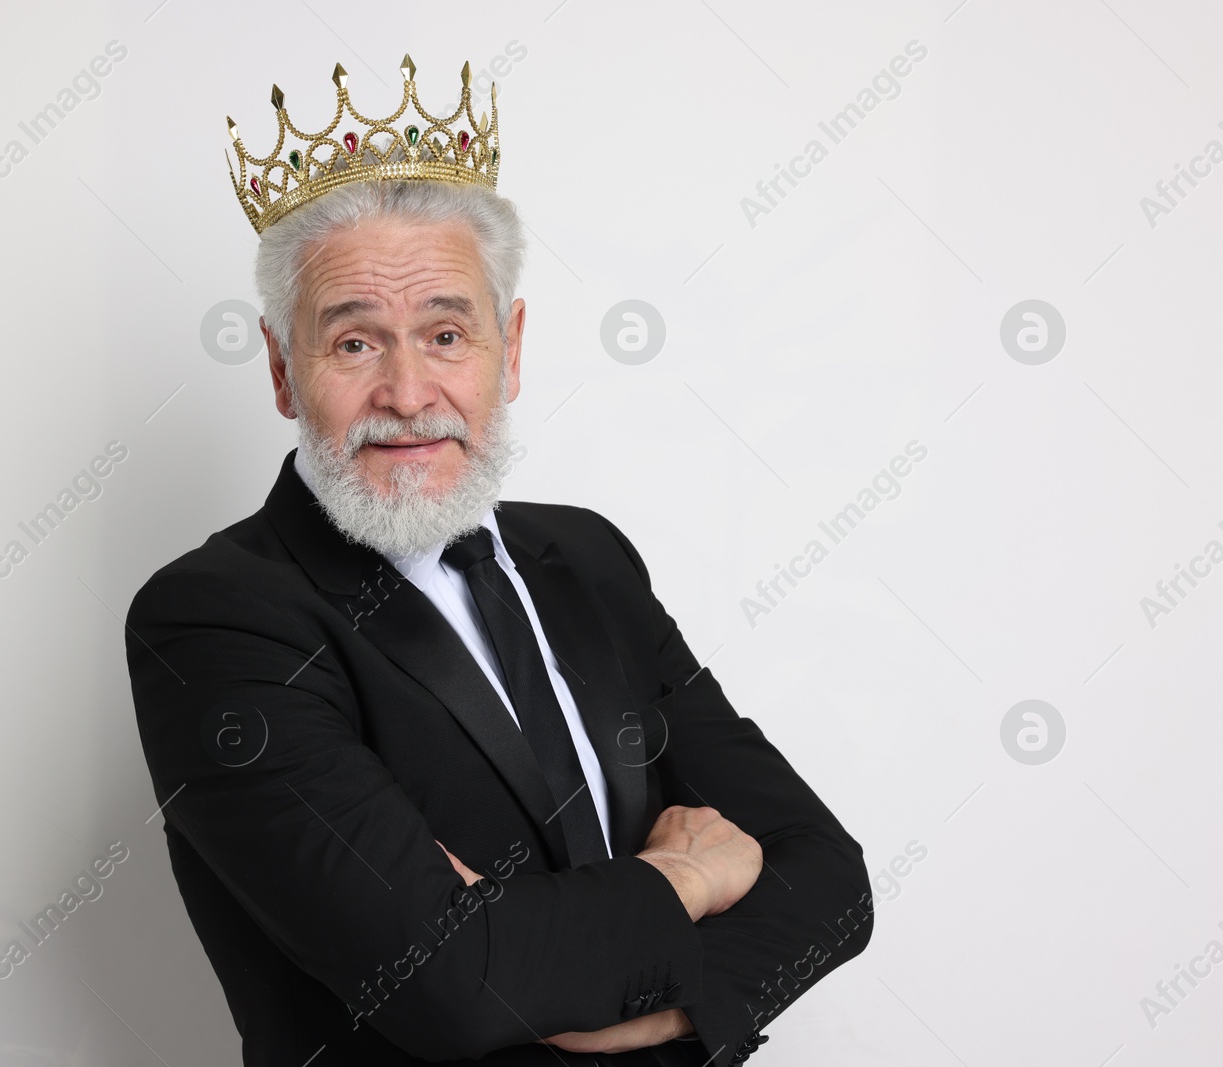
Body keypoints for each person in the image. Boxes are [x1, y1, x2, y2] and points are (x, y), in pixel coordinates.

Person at [126, 57, 871, 1065]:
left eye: (445, 332)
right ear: (280, 367)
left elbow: (827, 878)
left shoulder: (591, 555)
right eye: (353, 344)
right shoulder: (215, 623)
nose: (406, 389)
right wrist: (681, 881)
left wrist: (637, 997)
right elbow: (452, 984)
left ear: (508, 348)